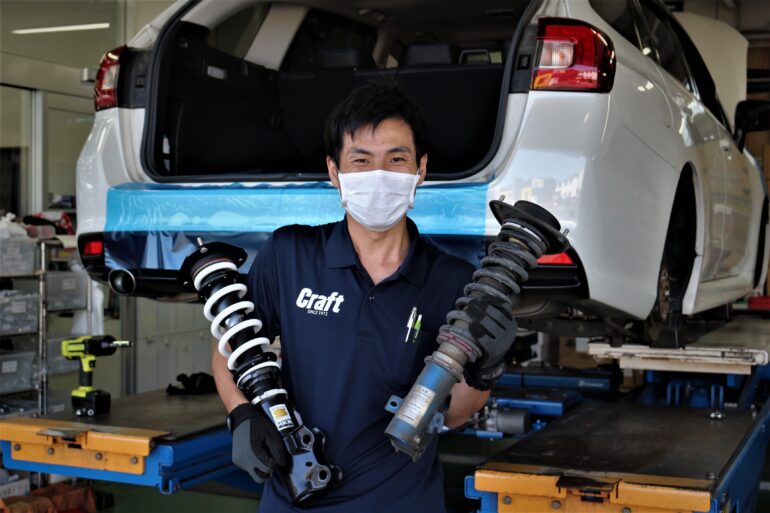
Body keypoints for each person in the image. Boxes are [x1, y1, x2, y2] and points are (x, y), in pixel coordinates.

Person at [212, 81, 504, 512]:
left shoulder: (452, 280)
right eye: (361, 160)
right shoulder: (289, 255)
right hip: (295, 496)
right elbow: (230, 350)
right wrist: (240, 413)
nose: (379, 175)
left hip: (403, 502)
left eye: (396, 159)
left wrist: (486, 370)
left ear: (421, 169)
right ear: (334, 172)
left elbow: (456, 414)